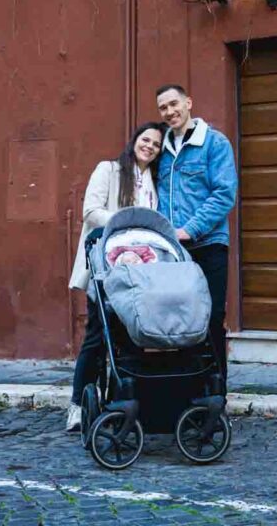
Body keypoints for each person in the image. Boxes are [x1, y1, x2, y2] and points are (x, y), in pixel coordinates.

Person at [65, 120, 164, 431]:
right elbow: (91, 211)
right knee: (96, 337)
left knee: (129, 338)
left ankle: (120, 404)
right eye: (145, 139)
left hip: (139, 273)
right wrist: (129, 223)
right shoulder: (108, 170)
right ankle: (78, 406)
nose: (149, 146)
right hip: (105, 268)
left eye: (156, 144)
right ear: (135, 140)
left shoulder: (153, 182)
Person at [155, 84, 237, 384]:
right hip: (174, 252)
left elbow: (224, 194)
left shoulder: (214, 143)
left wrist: (190, 230)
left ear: (188, 102)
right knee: (178, 321)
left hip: (209, 245)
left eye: (174, 104)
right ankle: (186, 393)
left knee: (211, 320)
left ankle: (215, 396)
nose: (169, 112)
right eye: (163, 108)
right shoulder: (160, 149)